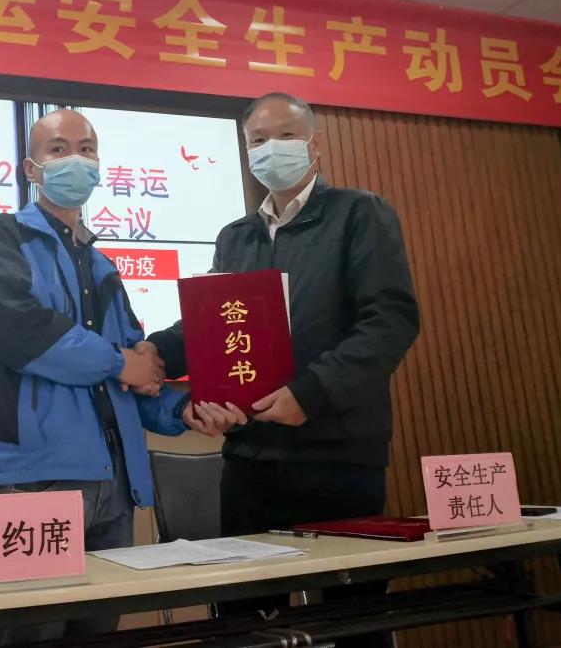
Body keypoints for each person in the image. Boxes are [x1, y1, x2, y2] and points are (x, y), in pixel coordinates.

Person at [143, 93, 420, 648]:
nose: (272, 149)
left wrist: (312, 393)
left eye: (286, 136)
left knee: (353, 619)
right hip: (252, 461)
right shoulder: (236, 236)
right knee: (249, 623)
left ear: (314, 144)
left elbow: (390, 321)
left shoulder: (359, 214)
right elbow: (214, 325)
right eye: (258, 140)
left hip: (338, 456)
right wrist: (155, 353)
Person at [0, 108, 245, 645]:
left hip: (116, 484)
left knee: (99, 636)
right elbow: (18, 331)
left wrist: (183, 408)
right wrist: (121, 362)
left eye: (87, 149)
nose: (75, 159)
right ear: (31, 168)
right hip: (33, 483)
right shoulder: (1, 237)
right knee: (30, 637)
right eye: (58, 149)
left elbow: (135, 379)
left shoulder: (102, 266)